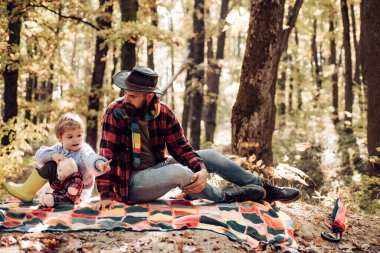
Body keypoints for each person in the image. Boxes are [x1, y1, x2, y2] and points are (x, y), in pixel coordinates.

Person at [93, 66, 301, 210]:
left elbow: (182, 149)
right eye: (125, 93)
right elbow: (105, 158)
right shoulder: (115, 112)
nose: (126, 99)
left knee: (209, 155)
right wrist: (104, 195)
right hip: (130, 183)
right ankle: (226, 196)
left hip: (156, 167)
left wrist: (201, 170)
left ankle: (267, 188)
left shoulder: (163, 113)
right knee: (178, 171)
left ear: (149, 96)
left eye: (133, 96)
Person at [5, 113, 112, 205]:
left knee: (51, 196)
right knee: (50, 164)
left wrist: (99, 164)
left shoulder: (83, 150)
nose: (76, 140)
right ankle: (27, 191)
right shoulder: (58, 149)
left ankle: (57, 199)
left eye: (79, 135)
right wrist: (53, 155)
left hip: (77, 190)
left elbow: (91, 157)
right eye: (70, 137)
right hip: (61, 186)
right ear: (60, 138)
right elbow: (39, 155)